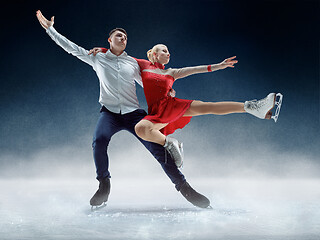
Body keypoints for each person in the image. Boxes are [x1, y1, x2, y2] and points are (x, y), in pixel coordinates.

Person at [36, 10, 211, 209]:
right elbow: (71, 48)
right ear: (109, 39)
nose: (123, 38)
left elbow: (152, 82)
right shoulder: (97, 57)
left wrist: (169, 92)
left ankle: (184, 186)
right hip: (109, 114)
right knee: (99, 140)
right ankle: (104, 184)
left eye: (126, 37)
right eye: (119, 35)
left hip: (133, 114)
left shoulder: (133, 63)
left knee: (157, 148)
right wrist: (51, 30)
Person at [93, 44, 281, 168]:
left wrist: (218, 65)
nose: (168, 53)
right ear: (153, 53)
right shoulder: (142, 65)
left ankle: (253, 107)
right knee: (141, 128)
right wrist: (101, 49)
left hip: (173, 106)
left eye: (168, 51)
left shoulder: (172, 72)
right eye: (164, 50)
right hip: (157, 114)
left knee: (210, 107)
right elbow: (119, 57)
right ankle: (171, 143)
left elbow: (196, 69)